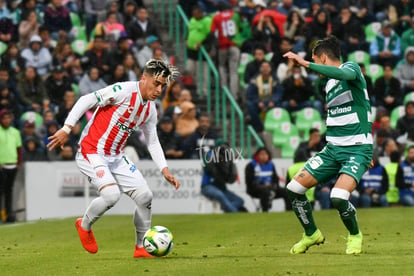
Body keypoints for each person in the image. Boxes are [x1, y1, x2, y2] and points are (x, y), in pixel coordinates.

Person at [46, 59, 181, 257]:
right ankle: (84, 225)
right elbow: (86, 99)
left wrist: (164, 169)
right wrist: (67, 127)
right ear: (144, 78)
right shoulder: (124, 91)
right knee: (111, 195)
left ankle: (141, 247)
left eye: (163, 85)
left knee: (145, 197)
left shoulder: (150, 110)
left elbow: (152, 141)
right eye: (157, 83)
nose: (160, 89)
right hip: (91, 151)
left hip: (116, 156)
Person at [282, 36, 373, 255]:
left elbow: (342, 74)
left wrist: (304, 63)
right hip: (333, 149)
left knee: (338, 197)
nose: (314, 67)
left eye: (315, 61)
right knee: (294, 189)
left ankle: (354, 235)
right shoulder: (329, 84)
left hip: (357, 149)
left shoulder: (350, 68)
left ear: (322, 57)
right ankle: (311, 233)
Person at [201, 141, 245, 213]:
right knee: (220, 195)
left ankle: (228, 210)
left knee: (240, 201)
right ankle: (234, 213)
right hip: (207, 186)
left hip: (221, 188)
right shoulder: (208, 155)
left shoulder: (228, 158)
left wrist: (230, 165)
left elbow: (230, 179)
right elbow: (209, 169)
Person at [245, 147, 291, 212]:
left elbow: (275, 179)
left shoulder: (271, 165)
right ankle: (265, 211)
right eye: (261, 154)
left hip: (271, 187)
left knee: (286, 192)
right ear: (257, 156)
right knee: (265, 191)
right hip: (255, 189)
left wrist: (273, 185)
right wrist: (262, 185)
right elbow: (249, 181)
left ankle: (289, 211)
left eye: (265, 154)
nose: (264, 156)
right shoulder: (251, 165)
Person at [0, 109, 22, 223]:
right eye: (5, 118)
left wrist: (18, 163)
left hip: (12, 165)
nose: (7, 120)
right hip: (2, 165)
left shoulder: (15, 132)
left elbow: (19, 149)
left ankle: (9, 215)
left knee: (9, 191)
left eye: (9, 118)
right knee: (1, 191)